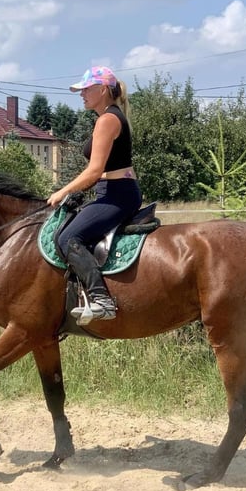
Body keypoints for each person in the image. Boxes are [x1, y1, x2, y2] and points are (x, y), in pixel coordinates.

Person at [47, 66, 142, 321]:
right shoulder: (107, 117)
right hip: (110, 191)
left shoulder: (108, 120)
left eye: (86, 89)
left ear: (102, 90)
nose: (81, 95)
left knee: (69, 238)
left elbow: (94, 170)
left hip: (117, 195)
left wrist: (62, 192)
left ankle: (102, 300)